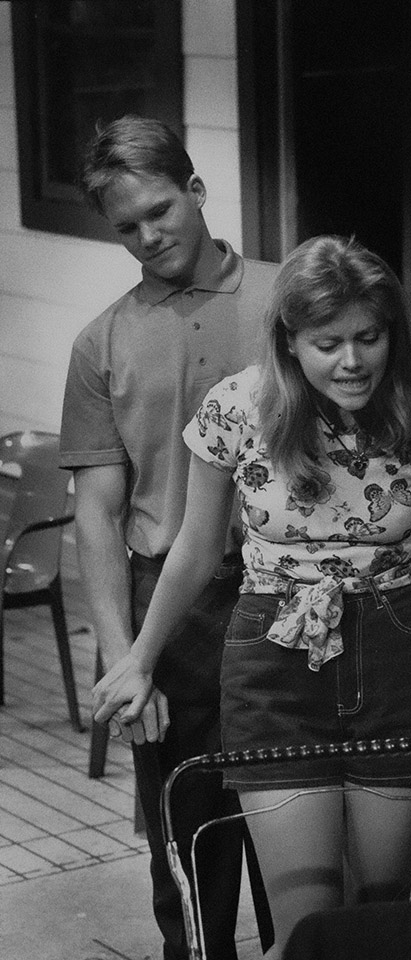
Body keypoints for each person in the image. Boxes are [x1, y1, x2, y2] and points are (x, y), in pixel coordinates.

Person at [92, 234, 411, 959]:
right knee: (308, 925)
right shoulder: (238, 408)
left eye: (370, 336)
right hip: (274, 662)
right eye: (329, 342)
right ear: (291, 341)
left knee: (380, 912)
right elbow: (198, 551)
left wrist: (375, 603)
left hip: (395, 660)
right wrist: (139, 658)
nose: (353, 360)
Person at [59, 115, 277, 960]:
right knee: (189, 856)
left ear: (196, 189)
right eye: (127, 228)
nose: (149, 236)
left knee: (300, 839)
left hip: (289, 594)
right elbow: (99, 514)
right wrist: (126, 658)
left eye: (161, 210)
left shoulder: (288, 300)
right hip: (172, 620)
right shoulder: (100, 343)